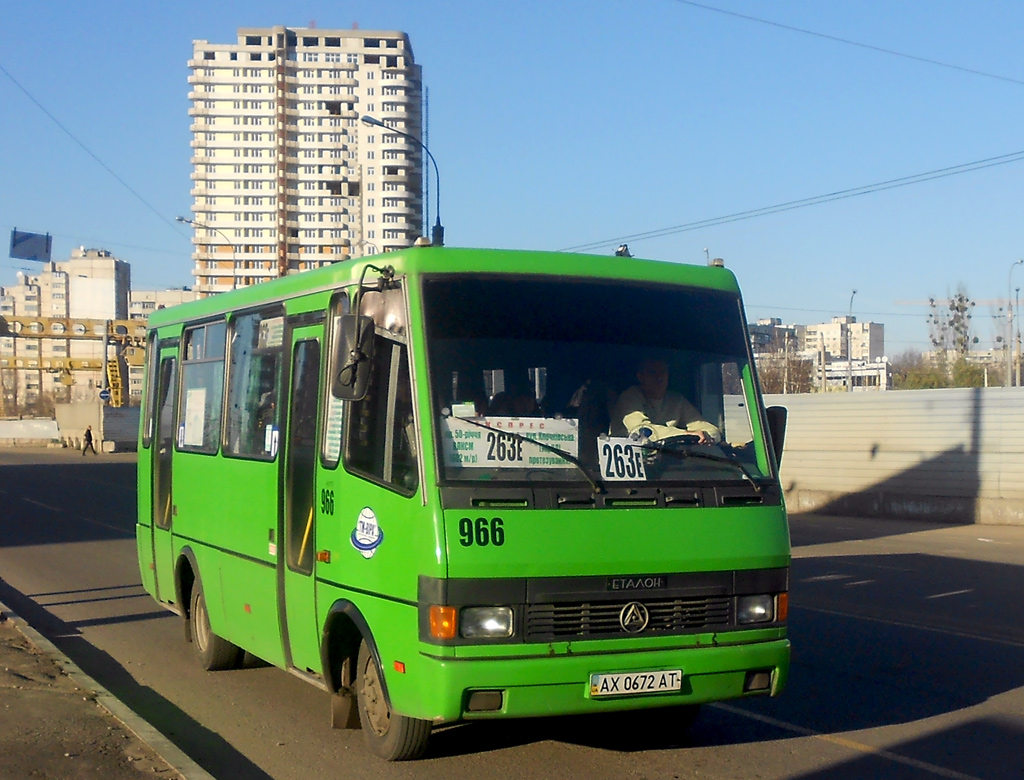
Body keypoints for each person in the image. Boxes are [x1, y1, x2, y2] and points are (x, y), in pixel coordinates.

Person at [611, 358, 720, 443]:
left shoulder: (676, 400)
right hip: (630, 465)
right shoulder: (629, 397)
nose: (659, 378)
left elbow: (711, 430)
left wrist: (706, 437)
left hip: (668, 465)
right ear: (641, 377)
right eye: (653, 373)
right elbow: (642, 432)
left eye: (663, 372)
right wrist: (688, 435)